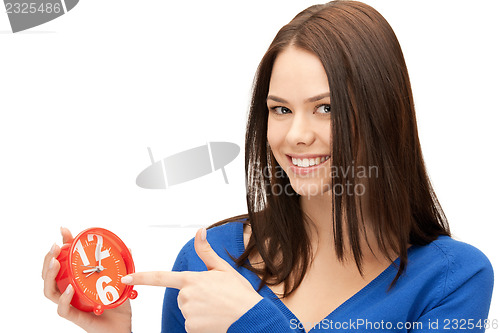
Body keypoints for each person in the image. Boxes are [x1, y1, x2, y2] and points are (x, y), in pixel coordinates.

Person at [42, 1, 494, 332]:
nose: (295, 135)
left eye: (326, 108)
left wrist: (255, 323)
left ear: (383, 113)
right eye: (280, 110)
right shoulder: (208, 260)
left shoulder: (454, 280)